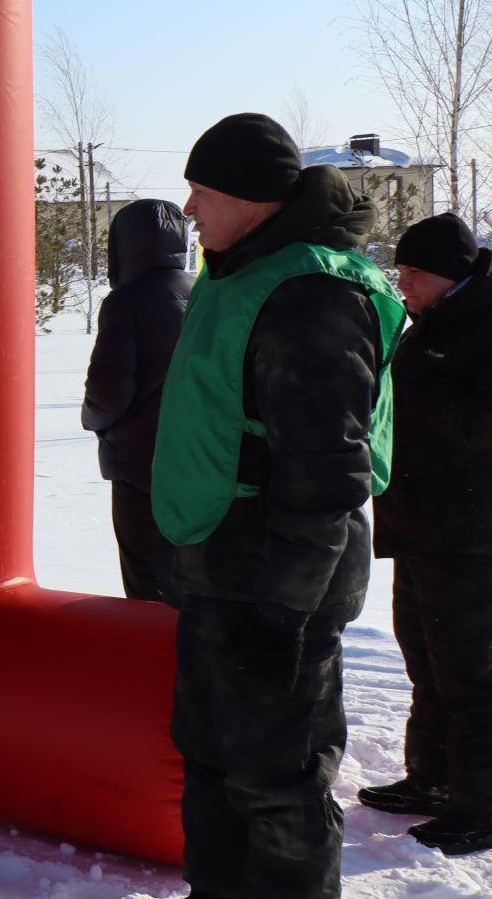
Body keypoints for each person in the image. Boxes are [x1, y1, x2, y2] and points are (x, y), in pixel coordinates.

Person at [153, 113, 404, 898]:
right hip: (222, 576)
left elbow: (326, 480)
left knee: (279, 783)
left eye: (201, 191)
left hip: (274, 589)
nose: (188, 209)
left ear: (251, 198)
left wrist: (282, 616)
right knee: (215, 762)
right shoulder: (244, 272)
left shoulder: (312, 297)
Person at [357, 213, 492, 855]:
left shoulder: (491, 328)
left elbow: (486, 427)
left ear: (448, 274)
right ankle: (433, 778)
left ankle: (486, 805)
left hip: (476, 535)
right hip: (422, 528)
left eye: (414, 274)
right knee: (425, 659)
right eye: (402, 271)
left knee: (474, 673)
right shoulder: (433, 323)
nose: (404, 284)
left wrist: (414, 381)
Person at [81, 199, 193, 604]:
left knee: (147, 583)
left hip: (139, 465)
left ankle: (155, 662)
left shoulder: (125, 302)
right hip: (200, 464)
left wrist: (92, 420)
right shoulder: (204, 293)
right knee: (193, 579)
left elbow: (107, 393)